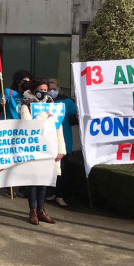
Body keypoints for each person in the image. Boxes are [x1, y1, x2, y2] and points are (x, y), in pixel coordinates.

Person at [19, 78, 64, 225]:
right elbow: (29, 125)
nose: (44, 93)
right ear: (33, 89)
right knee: (33, 180)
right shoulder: (26, 104)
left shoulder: (51, 103)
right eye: (41, 90)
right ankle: (32, 211)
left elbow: (58, 127)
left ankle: (41, 210)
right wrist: (44, 115)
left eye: (45, 90)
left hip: (48, 147)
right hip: (33, 148)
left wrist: (60, 149)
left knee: (43, 181)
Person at [47, 78, 78, 207]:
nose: (52, 91)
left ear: (59, 88)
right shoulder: (44, 102)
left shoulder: (67, 102)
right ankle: (53, 193)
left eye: (54, 89)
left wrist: (77, 116)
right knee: (51, 170)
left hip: (63, 140)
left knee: (62, 170)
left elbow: (75, 119)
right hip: (48, 140)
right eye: (49, 89)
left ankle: (60, 195)